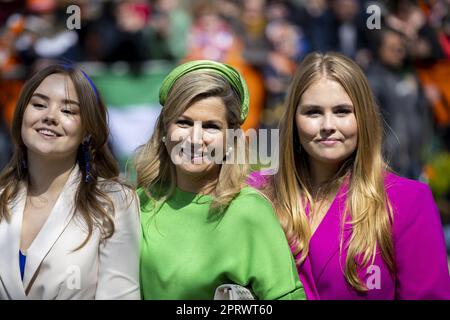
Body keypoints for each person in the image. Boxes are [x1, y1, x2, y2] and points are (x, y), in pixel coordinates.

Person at [248, 52, 450, 299]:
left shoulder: (408, 201)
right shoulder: (258, 193)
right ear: (293, 120)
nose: (328, 125)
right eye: (313, 112)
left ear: (362, 118)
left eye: (342, 111)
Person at [135, 60, 305, 300]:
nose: (195, 139)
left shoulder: (249, 210)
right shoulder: (138, 204)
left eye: (211, 127)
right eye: (183, 122)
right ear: (164, 129)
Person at [0, 64, 140, 299]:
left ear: (88, 131)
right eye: (39, 105)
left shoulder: (114, 202)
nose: (50, 117)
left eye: (68, 111)